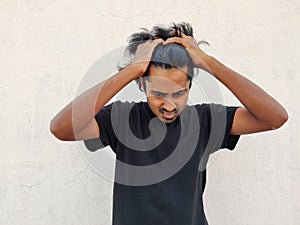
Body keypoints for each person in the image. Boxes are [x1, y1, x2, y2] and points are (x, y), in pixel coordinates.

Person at [50, 23, 288, 225]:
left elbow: (274, 117)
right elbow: (61, 128)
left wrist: (208, 63)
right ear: (142, 85)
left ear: (190, 87)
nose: (169, 105)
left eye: (179, 93)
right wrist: (132, 70)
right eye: (159, 94)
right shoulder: (122, 117)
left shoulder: (205, 120)